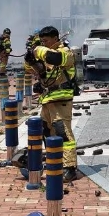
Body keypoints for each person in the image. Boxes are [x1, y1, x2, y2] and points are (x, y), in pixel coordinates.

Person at [25, 25, 80, 182]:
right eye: (42, 41)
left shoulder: (65, 52)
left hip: (61, 100)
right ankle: (54, 161)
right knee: (47, 132)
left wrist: (37, 50)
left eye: (46, 41)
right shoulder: (46, 54)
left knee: (63, 132)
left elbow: (54, 58)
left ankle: (70, 168)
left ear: (56, 39)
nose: (44, 44)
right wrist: (30, 61)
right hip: (48, 100)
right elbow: (40, 72)